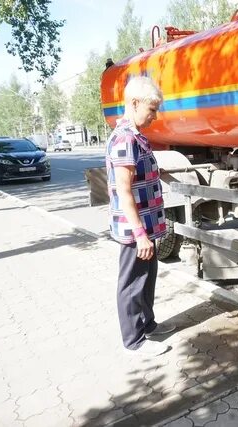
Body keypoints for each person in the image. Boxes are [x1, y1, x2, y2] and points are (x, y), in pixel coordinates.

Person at [106, 76, 175, 357]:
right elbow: (124, 191)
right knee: (132, 284)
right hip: (137, 232)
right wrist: (139, 234)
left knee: (147, 279)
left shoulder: (136, 137)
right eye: (152, 109)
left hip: (146, 228)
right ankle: (134, 341)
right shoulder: (124, 138)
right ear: (134, 103)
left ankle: (148, 324)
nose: (155, 116)